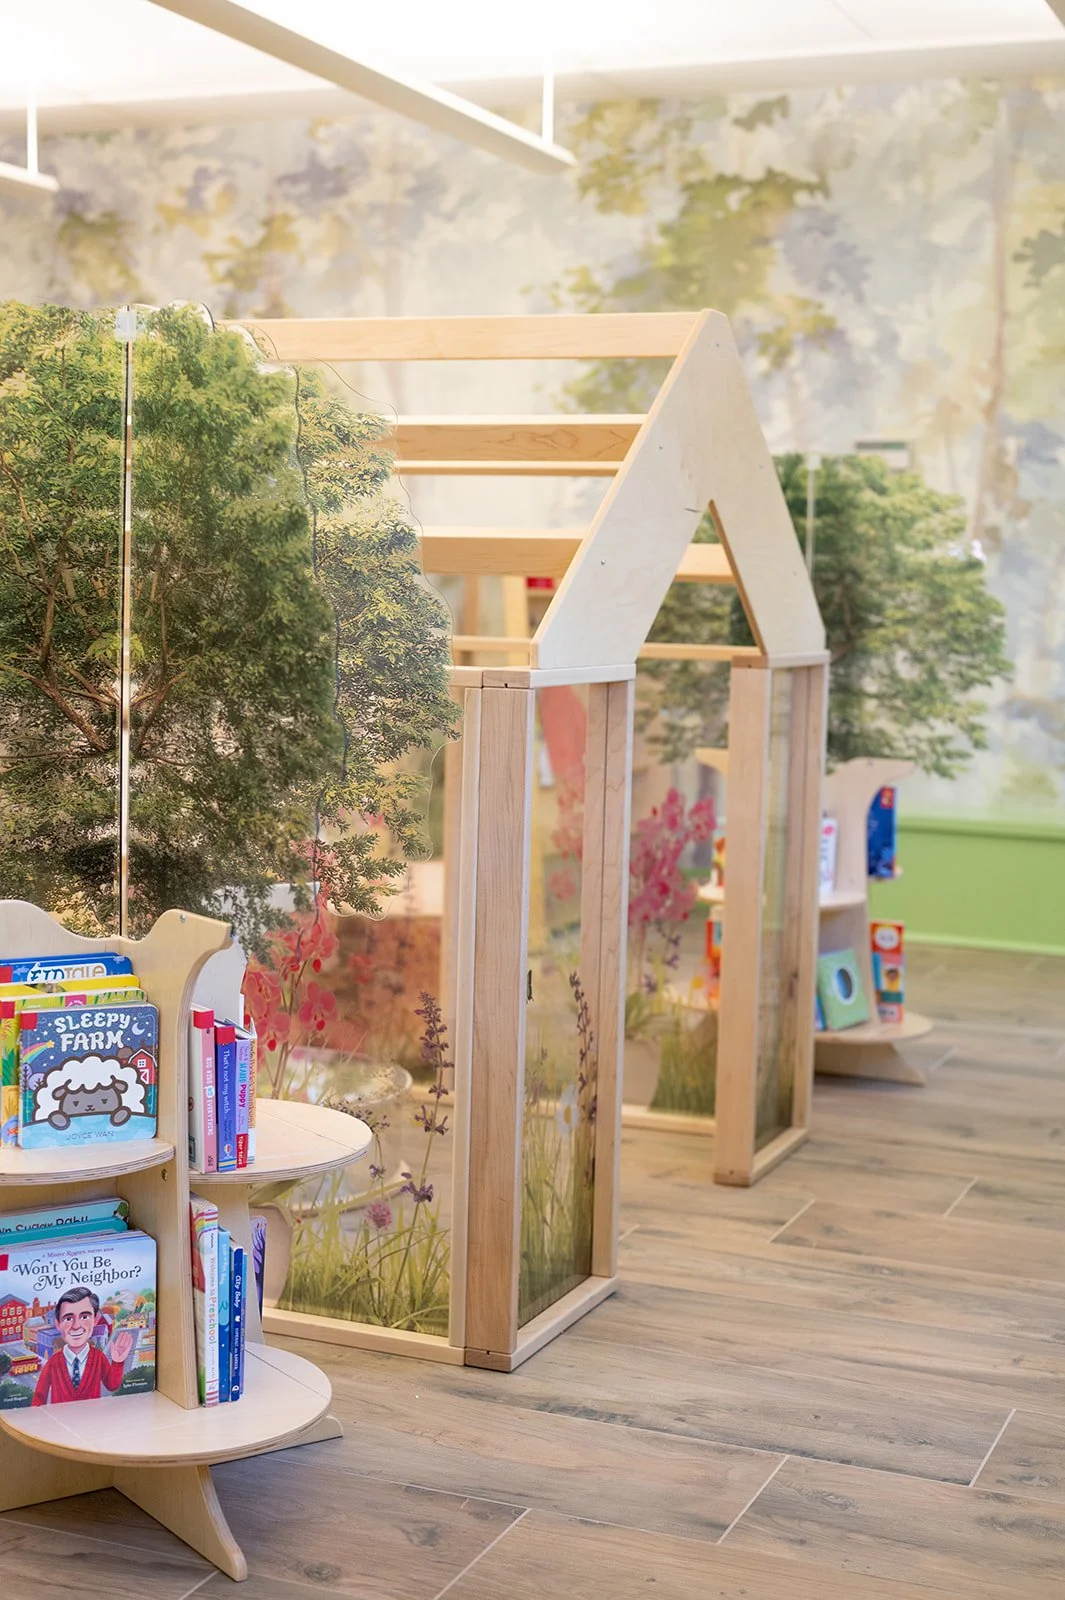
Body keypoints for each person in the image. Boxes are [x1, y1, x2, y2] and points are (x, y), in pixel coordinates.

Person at [31, 1286, 134, 1405]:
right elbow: (39, 1395)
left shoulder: (98, 1357)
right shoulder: (53, 1362)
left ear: (95, 1320)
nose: (76, 1326)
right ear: (58, 1324)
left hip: (92, 1418)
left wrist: (118, 1362)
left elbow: (112, 1386)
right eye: (68, 1318)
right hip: (60, 1419)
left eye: (84, 1317)